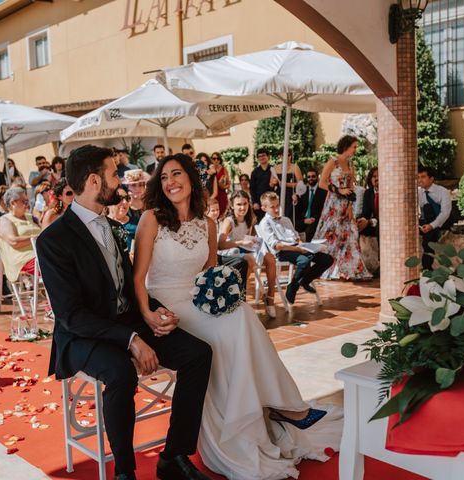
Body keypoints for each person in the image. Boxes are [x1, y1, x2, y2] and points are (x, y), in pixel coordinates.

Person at [135, 154, 341, 479]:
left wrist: (220, 293)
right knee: (237, 322)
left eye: (177, 174)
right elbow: (138, 277)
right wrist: (147, 314)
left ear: (191, 179)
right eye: (164, 177)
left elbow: (207, 272)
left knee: (240, 313)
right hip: (167, 302)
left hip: (195, 297)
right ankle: (282, 406)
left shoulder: (209, 223)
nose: (170, 181)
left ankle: (269, 411)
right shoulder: (151, 219)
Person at [36, 145, 213, 480]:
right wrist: (131, 339)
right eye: (114, 173)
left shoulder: (109, 226)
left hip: (126, 322)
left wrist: (154, 313)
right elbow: (71, 316)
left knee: (198, 354)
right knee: (120, 372)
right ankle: (125, 473)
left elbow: (129, 286)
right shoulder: (53, 240)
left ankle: (173, 456)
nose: (120, 180)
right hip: (82, 336)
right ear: (92, 181)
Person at [314, 135, 371, 280]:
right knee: (332, 235)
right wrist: (339, 190)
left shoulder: (351, 164)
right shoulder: (333, 162)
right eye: (354, 146)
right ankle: (327, 267)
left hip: (346, 204)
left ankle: (351, 269)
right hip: (333, 204)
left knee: (350, 235)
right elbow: (321, 183)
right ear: (346, 146)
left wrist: (351, 206)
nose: (355, 150)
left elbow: (351, 187)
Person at [260, 191, 334, 304]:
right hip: (282, 251)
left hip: (297, 247)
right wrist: (298, 249)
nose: (276, 209)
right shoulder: (265, 223)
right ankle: (293, 287)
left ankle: (304, 281)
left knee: (327, 259)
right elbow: (277, 245)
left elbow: (295, 236)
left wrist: (302, 244)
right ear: (264, 208)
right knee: (304, 260)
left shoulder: (286, 220)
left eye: (277, 206)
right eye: (272, 207)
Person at [219, 190, 277, 318]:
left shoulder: (249, 219)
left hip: (244, 250)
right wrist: (240, 242)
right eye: (239, 204)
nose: (243, 207)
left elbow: (248, 240)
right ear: (232, 205)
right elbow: (220, 245)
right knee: (249, 260)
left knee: (270, 258)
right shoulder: (229, 221)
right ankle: (239, 297)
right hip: (229, 253)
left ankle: (270, 296)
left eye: (245, 204)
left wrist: (253, 242)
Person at [0, 187, 41, 284]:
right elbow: (14, 241)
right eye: (24, 201)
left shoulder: (31, 217)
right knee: (55, 263)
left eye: (27, 201)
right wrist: (37, 238)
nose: (27, 204)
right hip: (23, 259)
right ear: (13, 203)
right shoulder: (5, 220)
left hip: (40, 254)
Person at [418, 165, 452, 270]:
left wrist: (432, 226)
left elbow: (445, 213)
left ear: (431, 178)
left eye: (423, 177)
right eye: (418, 177)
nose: (420, 180)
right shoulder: (418, 192)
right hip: (424, 221)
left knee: (429, 239)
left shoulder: (442, 192)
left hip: (440, 222)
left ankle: (427, 269)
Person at [356, 167, 380, 275]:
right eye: (374, 176)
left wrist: (369, 221)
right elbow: (365, 212)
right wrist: (362, 220)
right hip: (374, 223)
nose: (376, 179)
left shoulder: (388, 191)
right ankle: (363, 266)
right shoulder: (368, 193)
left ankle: (380, 265)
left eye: (378, 176)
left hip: (386, 224)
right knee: (358, 229)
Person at [295, 167, 327, 240]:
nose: (311, 178)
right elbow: (299, 207)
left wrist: (313, 218)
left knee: (308, 232)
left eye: (313, 176)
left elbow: (323, 209)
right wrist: (295, 200)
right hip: (303, 219)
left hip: (315, 219)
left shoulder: (323, 192)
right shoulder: (303, 191)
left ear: (317, 177)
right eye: (309, 177)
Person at [250, 148, 279, 222]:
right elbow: (252, 188)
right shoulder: (255, 172)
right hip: (259, 202)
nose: (261, 157)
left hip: (272, 201)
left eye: (263, 155)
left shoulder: (274, 169)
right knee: (261, 222)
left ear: (268, 157)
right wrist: (255, 202)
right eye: (259, 156)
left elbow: (278, 184)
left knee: (274, 220)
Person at [274, 150, 303, 221]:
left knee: (289, 216)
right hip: (278, 194)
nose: (286, 157)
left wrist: (285, 184)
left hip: (291, 195)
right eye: (283, 155)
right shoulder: (275, 168)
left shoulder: (295, 167)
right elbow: (271, 183)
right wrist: (274, 181)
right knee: (278, 214)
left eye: (288, 155)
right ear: (280, 156)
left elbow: (301, 184)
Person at [108, 187, 137, 252]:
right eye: (119, 198)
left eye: (127, 198)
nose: (125, 202)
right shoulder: (102, 224)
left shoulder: (138, 223)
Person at [211, 152, 230, 217]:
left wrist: (223, 187)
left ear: (220, 160)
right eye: (214, 158)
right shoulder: (209, 169)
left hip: (222, 194)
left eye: (218, 158)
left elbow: (228, 184)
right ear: (211, 159)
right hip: (212, 194)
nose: (216, 160)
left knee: (222, 214)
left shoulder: (224, 170)